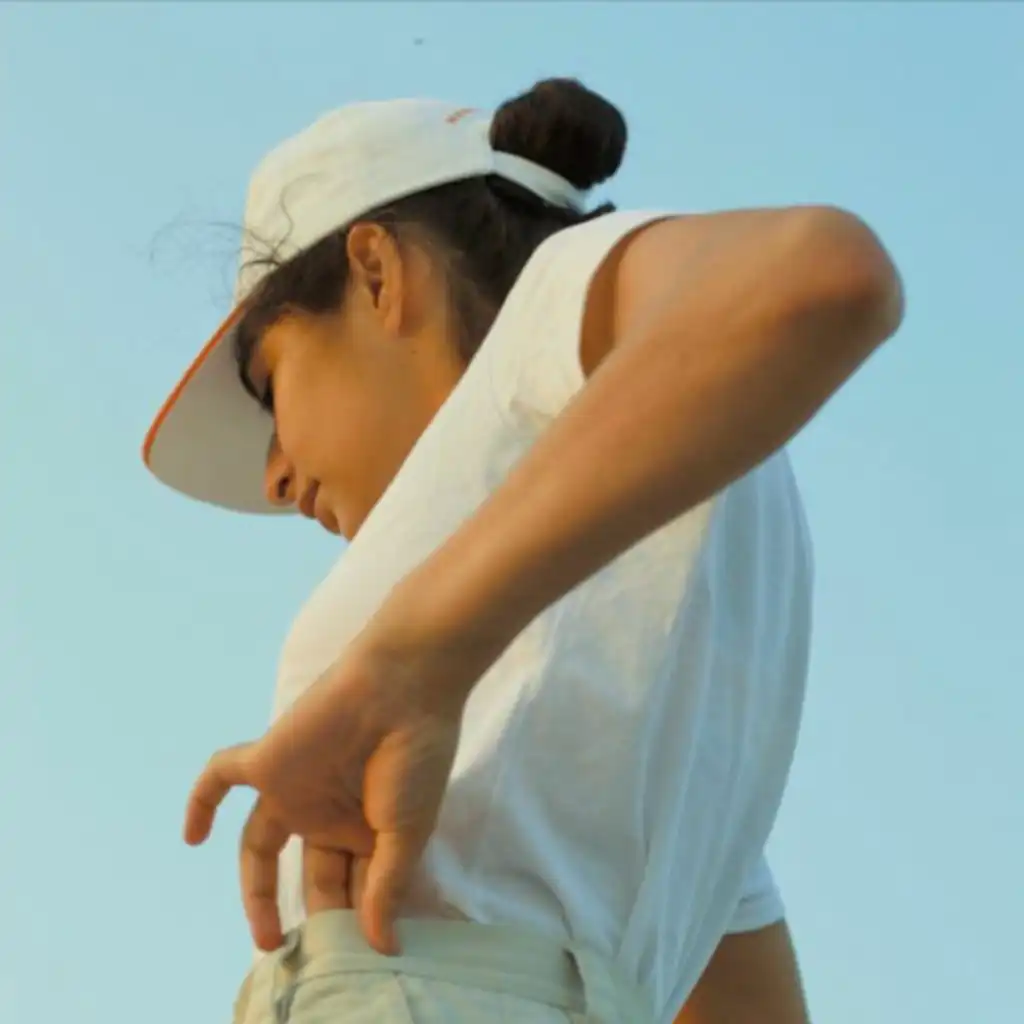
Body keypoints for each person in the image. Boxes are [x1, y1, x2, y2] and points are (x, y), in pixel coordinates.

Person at [143, 79, 903, 1023]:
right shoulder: (674, 600)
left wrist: (407, 663)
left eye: (270, 385)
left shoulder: (553, 290)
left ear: (377, 274)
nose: (275, 476)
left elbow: (824, 273)